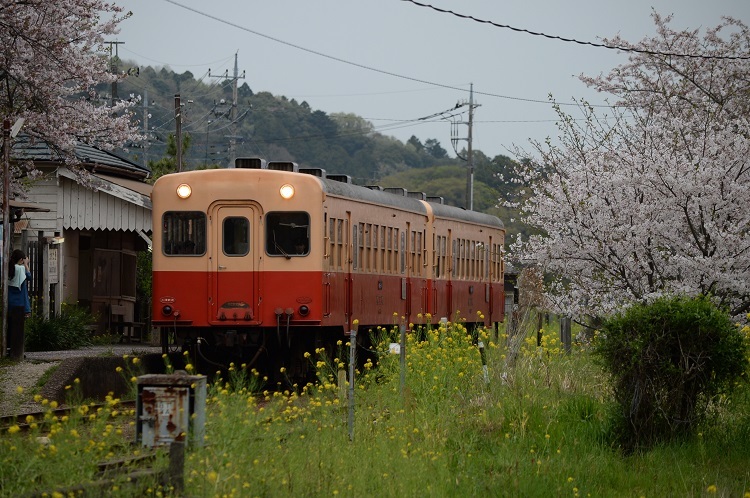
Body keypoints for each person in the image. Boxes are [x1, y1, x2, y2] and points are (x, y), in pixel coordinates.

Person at [7, 249, 31, 360]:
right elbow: (29, 277)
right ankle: (17, 352)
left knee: (9, 327)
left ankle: (8, 349)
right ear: (21, 259)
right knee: (18, 329)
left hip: (9, 302)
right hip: (19, 304)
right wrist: (26, 265)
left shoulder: (9, 268)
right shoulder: (21, 269)